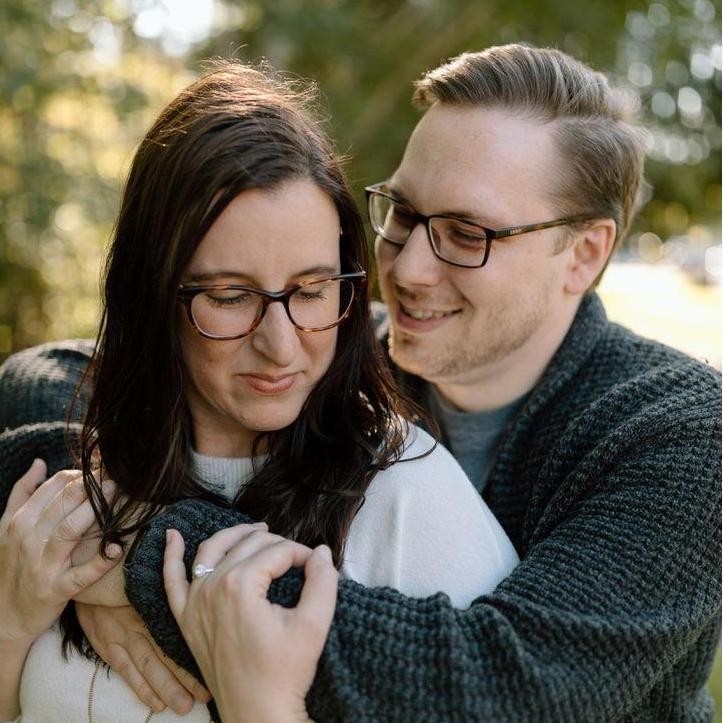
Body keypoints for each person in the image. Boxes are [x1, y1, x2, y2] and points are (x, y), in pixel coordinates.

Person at [1, 42, 720, 721]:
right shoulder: (337, 351)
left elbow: (502, 685)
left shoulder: (681, 434)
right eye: (403, 214)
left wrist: (143, 561)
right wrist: (89, 509)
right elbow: (52, 374)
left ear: (584, 253)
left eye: (466, 235)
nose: (405, 268)